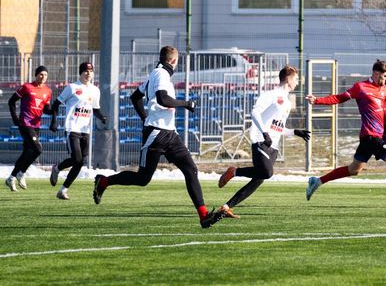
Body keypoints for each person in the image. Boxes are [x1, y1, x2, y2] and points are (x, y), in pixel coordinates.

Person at [92, 46, 222, 229]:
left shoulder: (157, 74)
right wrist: (186, 103)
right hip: (157, 134)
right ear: (173, 61)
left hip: (170, 134)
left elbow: (135, 97)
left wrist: (145, 118)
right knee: (143, 179)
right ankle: (104, 181)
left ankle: (204, 216)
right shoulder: (160, 73)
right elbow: (162, 99)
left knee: (191, 169)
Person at [305, 59, 386, 209]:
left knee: (354, 169)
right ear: (376, 73)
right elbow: (339, 97)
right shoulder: (361, 87)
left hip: (371, 138)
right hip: (370, 136)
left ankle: (317, 181)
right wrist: (317, 100)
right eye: (384, 76)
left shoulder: (383, 90)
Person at [215, 65, 310, 219]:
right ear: (288, 79)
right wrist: (264, 133)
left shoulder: (286, 102)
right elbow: (255, 112)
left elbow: (278, 127)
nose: (298, 82)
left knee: (259, 178)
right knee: (267, 173)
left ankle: (225, 208)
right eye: (296, 79)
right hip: (261, 140)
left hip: (273, 146)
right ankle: (234, 172)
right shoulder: (271, 95)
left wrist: (294, 132)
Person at [49, 62, 107, 200]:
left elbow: (95, 109)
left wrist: (102, 117)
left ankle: (62, 188)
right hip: (72, 128)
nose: (88, 73)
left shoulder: (95, 90)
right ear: (80, 72)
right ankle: (58, 170)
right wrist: (54, 121)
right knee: (77, 159)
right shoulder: (72, 87)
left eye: (91, 71)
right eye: (86, 71)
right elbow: (56, 103)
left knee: (79, 162)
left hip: (85, 130)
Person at [5, 66, 53, 191]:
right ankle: (21, 173)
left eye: (45, 75)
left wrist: (54, 110)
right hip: (25, 123)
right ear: (36, 75)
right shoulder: (27, 87)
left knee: (27, 152)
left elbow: (46, 109)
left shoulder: (48, 91)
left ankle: (11, 177)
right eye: (41, 74)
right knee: (37, 149)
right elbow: (11, 101)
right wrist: (15, 118)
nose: (43, 77)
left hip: (36, 125)